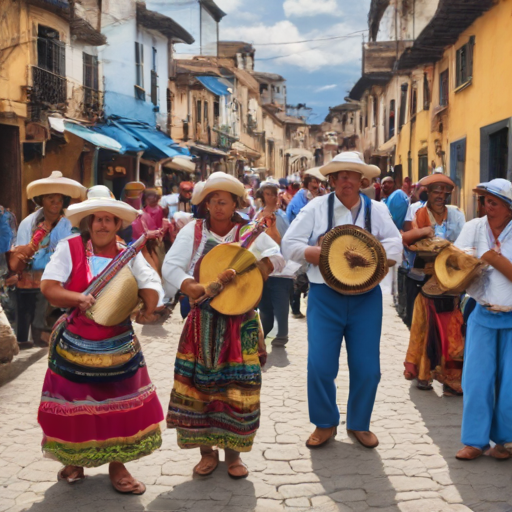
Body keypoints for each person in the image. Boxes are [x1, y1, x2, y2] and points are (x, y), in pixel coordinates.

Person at [37, 185, 166, 493]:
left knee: (118, 407)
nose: (103, 225)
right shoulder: (69, 248)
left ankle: (118, 467)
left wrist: (149, 306)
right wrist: (76, 298)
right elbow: (49, 286)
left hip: (118, 346)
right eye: (98, 219)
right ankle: (74, 460)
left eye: (109, 219)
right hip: (75, 345)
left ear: (118, 224)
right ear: (89, 222)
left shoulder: (127, 255)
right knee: (76, 405)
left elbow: (150, 284)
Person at [162, 172, 284, 479]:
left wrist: (258, 268)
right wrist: (189, 285)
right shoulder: (194, 231)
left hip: (240, 321)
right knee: (201, 386)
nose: (219, 207)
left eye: (225, 201)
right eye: (213, 201)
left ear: (235, 204)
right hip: (203, 320)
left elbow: (277, 257)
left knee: (239, 386)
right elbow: (171, 266)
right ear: (205, 204)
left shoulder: (249, 232)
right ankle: (207, 454)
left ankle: (234, 456)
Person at [282, 151, 402, 449]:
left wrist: (372, 258)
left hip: (366, 298)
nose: (346, 180)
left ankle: (359, 423)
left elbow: (395, 245)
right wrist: (321, 254)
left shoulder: (377, 210)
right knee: (320, 365)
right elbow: (290, 244)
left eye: (352, 175)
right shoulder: (315, 208)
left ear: (363, 180)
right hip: (324, 295)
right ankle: (325, 423)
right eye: (340, 175)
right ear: (332, 179)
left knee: (368, 367)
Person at [450, 179, 512, 460]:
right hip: (482, 313)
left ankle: (504, 440)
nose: (488, 208)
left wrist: (492, 258)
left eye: (494, 203)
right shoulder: (473, 228)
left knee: (510, 382)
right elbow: (456, 265)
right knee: (476, 380)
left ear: (509, 209)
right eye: (485, 201)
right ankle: (474, 442)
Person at [402, 174, 466, 395]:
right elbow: (409, 241)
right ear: (427, 193)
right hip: (427, 280)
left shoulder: (456, 216)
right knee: (426, 329)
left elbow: (463, 245)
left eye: (444, 192)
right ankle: (424, 374)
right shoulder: (420, 214)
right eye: (436, 191)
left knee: (454, 332)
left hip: (452, 280)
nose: (440, 196)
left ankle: (451, 379)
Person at [12, 171, 85, 347]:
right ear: (41, 200)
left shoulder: (68, 224)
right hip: (29, 279)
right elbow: (20, 252)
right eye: (50, 198)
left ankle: (48, 340)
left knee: (44, 319)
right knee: (25, 317)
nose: (56, 203)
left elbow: (72, 252)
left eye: (59, 199)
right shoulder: (28, 223)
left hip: (55, 279)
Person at [255, 179, 296, 347]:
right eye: (267, 194)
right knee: (264, 302)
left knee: (280, 300)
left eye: (273, 194)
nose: (271, 197)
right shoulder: (258, 215)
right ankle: (265, 331)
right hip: (262, 263)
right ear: (262, 196)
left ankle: (281, 334)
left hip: (281, 265)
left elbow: (288, 239)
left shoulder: (282, 216)